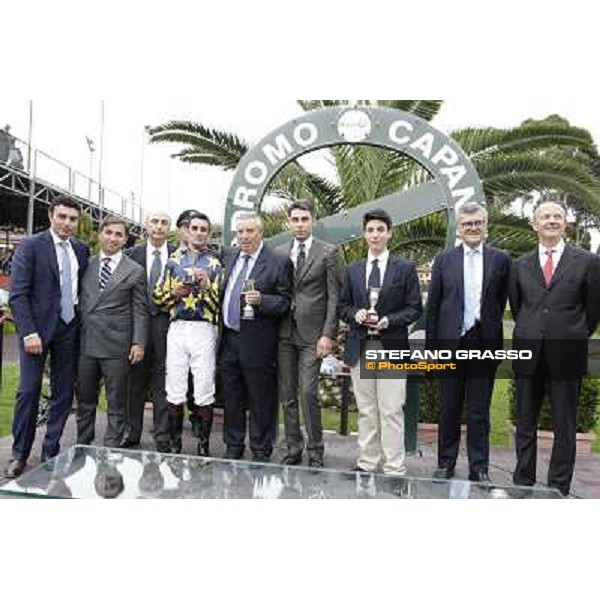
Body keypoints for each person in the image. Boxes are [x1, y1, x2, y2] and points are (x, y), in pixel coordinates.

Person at [510, 200, 600, 496]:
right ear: (534, 224)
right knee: (525, 423)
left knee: (564, 425)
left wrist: (571, 334)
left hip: (567, 353)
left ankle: (558, 487)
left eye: (557, 216)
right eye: (544, 216)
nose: (551, 220)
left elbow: (592, 311)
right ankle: (523, 481)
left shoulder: (587, 261)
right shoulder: (519, 264)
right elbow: (517, 305)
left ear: (566, 223)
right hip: (528, 352)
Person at [5, 196, 90, 479]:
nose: (67, 223)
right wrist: (28, 331)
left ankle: (51, 449)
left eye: (73, 219)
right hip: (36, 331)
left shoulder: (81, 249)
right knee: (28, 391)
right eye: (62, 217)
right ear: (51, 215)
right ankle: (20, 454)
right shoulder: (30, 246)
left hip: (69, 328)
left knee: (63, 393)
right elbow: (18, 294)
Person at [426, 201, 510, 483]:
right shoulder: (443, 260)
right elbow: (434, 308)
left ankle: (480, 468)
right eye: (466, 224)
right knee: (448, 408)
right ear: (459, 228)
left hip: (483, 342)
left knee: (478, 411)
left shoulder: (501, 259)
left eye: (477, 223)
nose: (472, 228)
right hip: (451, 344)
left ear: (486, 226)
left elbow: (499, 302)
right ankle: (445, 463)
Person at [338, 208, 422, 475]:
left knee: (391, 410)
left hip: (391, 346)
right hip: (360, 346)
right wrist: (356, 314)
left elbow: (414, 309)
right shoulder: (352, 270)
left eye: (380, 230)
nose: (375, 234)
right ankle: (367, 462)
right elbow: (342, 306)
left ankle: (394, 467)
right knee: (366, 410)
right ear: (364, 235)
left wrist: (387, 321)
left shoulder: (405, 268)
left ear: (389, 233)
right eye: (370, 230)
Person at [220, 212, 292, 462]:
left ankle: (260, 449)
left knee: (260, 398)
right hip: (228, 338)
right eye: (240, 232)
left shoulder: (278, 261)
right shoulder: (229, 256)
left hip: (258, 342)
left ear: (260, 233)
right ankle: (233, 445)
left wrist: (263, 300)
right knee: (231, 395)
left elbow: (285, 302)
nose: (244, 236)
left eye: (249, 231)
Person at [278, 200, 340, 468]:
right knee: (288, 395)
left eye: (304, 219)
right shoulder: (279, 252)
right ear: (289, 222)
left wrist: (328, 334)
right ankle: (293, 449)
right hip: (283, 333)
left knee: (307, 392)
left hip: (313, 336)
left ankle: (316, 451)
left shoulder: (328, 252)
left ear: (312, 221)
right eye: (295, 219)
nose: (300, 224)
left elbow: (335, 298)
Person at [154, 212, 223, 456]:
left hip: (203, 329)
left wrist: (204, 288)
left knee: (204, 386)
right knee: (175, 386)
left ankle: (203, 445)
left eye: (204, 229)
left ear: (209, 233)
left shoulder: (215, 263)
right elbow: (158, 299)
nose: (199, 232)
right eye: (195, 228)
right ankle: (175, 444)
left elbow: (218, 305)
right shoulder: (173, 261)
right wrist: (176, 292)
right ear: (187, 230)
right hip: (178, 327)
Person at [76, 217, 148, 448]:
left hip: (117, 345)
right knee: (85, 400)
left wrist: (138, 343)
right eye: (108, 232)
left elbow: (140, 310)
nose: (112, 238)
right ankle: (83, 445)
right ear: (100, 234)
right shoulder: (86, 264)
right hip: (86, 343)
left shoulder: (135, 270)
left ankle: (111, 449)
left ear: (125, 240)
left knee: (116, 402)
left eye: (118, 234)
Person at [122, 210, 175, 452]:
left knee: (164, 382)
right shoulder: (131, 255)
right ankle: (132, 433)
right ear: (146, 225)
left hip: (168, 326)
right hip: (137, 329)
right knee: (135, 382)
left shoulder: (179, 255)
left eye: (164, 223)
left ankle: (162, 437)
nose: (159, 227)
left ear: (169, 228)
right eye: (155, 222)